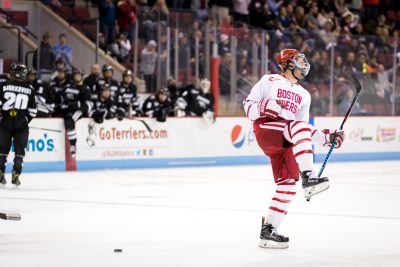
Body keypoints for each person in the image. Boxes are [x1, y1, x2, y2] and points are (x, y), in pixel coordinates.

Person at [243, 49, 345, 249]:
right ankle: (309, 175)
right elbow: (248, 106)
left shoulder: (304, 95)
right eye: (299, 59)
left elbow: (303, 130)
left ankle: (269, 231)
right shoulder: (269, 80)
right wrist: (263, 107)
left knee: (288, 185)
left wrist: (326, 137)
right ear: (288, 63)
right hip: (267, 128)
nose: (304, 63)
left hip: (285, 137)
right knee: (296, 128)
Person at [0, 64, 37, 186]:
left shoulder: (3, 85)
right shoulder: (30, 89)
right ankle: (16, 174)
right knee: (19, 152)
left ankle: (0, 174)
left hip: (5, 122)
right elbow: (33, 112)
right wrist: (24, 119)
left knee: (2, 151)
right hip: (21, 124)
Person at [61, 69, 93, 156]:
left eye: (79, 75)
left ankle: (73, 145)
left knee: (69, 119)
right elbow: (63, 99)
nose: (77, 77)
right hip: (68, 110)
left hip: (78, 111)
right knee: (66, 116)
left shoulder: (85, 89)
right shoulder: (68, 87)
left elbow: (89, 104)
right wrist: (65, 105)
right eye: (75, 75)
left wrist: (78, 105)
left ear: (82, 77)